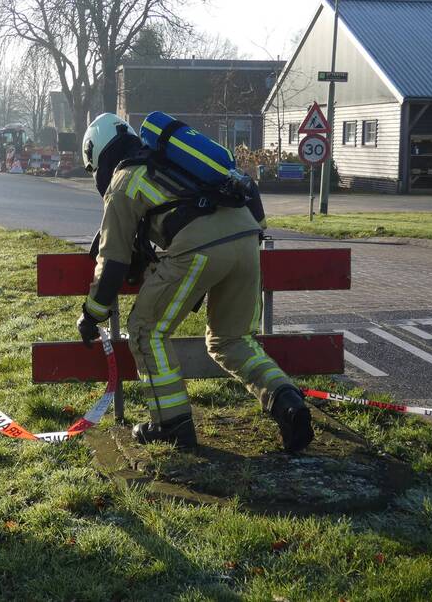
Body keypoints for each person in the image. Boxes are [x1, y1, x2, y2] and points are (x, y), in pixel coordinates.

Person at [75, 113, 314, 452]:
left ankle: (171, 424)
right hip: (247, 241)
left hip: (201, 249)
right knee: (232, 340)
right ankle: (287, 401)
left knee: (145, 331)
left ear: (98, 154)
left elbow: (112, 261)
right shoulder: (175, 163)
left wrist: (92, 314)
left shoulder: (124, 179)